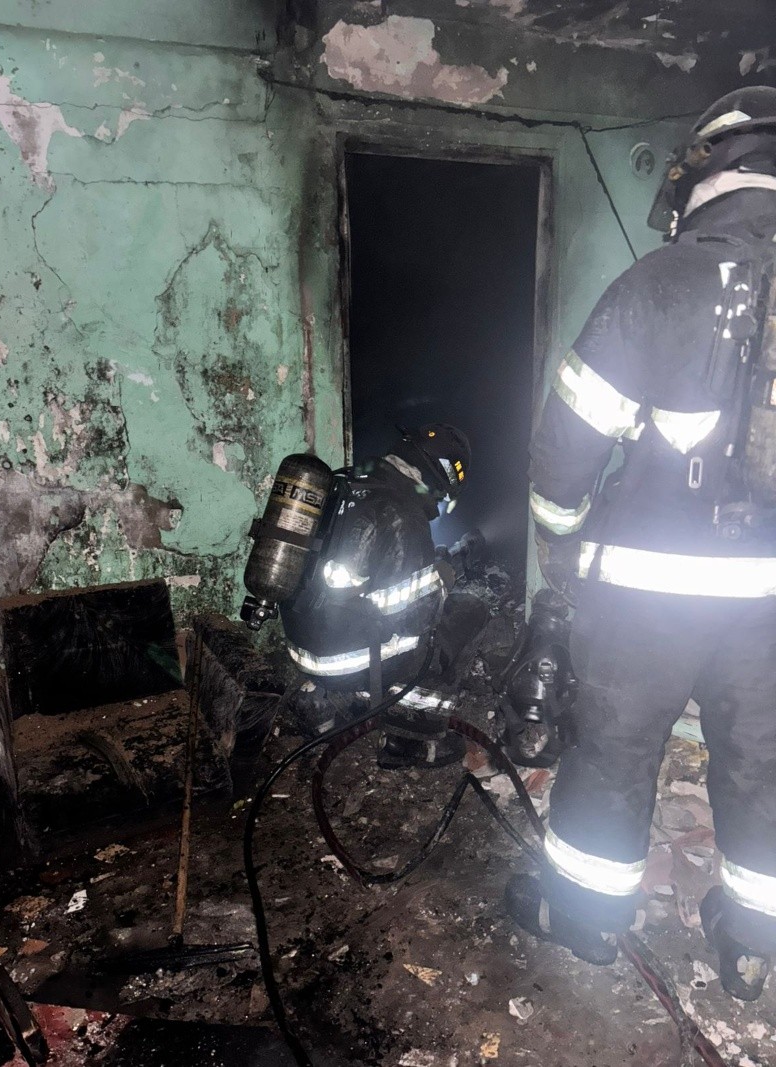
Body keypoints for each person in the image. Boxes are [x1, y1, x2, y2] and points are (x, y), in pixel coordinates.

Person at [505, 88, 776, 1000]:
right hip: (769, 606)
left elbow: (564, 451)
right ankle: (752, 946)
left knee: (614, 753)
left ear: (702, 175)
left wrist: (560, 546)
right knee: (764, 763)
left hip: (646, 600)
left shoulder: (660, 283)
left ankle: (585, 920)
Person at [280, 424, 488, 768]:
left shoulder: (347, 484)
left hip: (301, 647)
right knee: (464, 614)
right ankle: (410, 740)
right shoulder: (403, 513)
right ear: (438, 481)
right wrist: (441, 581)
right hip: (344, 663)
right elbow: (417, 619)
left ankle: (321, 701)